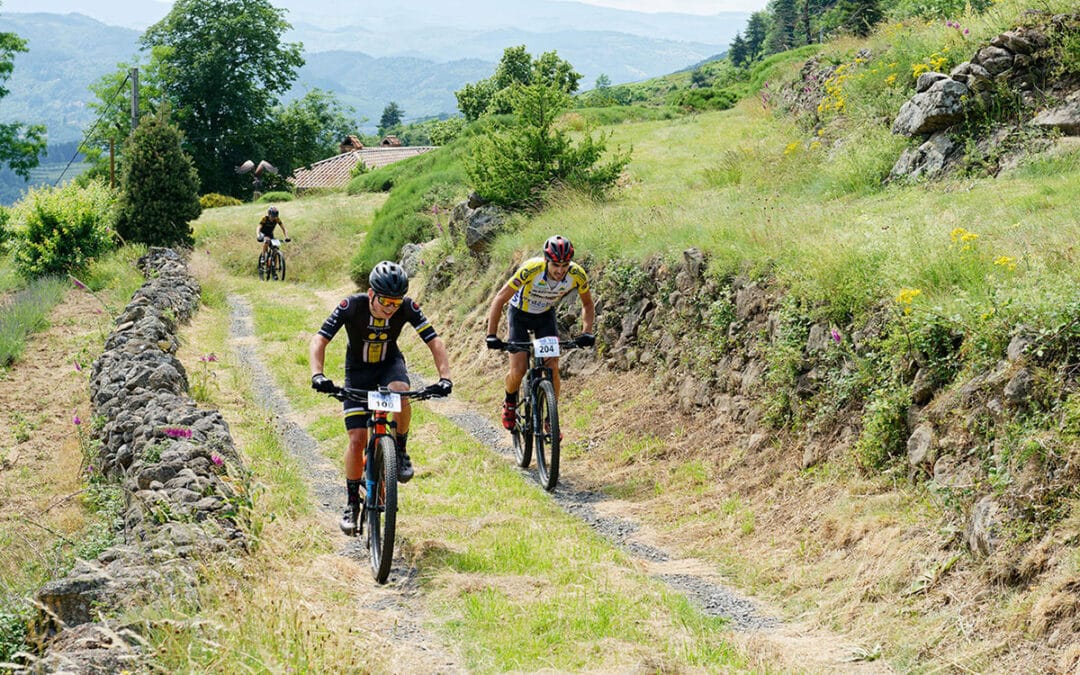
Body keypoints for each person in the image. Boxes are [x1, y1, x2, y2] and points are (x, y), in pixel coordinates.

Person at [309, 260, 453, 535]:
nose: (390, 308)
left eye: (395, 303)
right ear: (371, 293)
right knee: (357, 439)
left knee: (401, 392)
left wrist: (444, 377)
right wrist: (318, 374)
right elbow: (319, 339)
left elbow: (434, 341)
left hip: (390, 365)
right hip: (358, 371)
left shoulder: (407, 308)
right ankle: (352, 503)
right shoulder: (351, 306)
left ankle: (399, 449)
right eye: (385, 301)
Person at [485, 234, 595, 430]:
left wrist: (586, 332)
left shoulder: (577, 274)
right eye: (555, 265)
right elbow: (500, 298)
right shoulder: (531, 269)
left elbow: (587, 303)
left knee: (552, 367)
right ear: (546, 261)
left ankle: (551, 418)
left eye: (565, 265)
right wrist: (491, 335)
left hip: (544, 316)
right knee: (518, 370)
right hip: (519, 315)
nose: (560, 271)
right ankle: (510, 402)